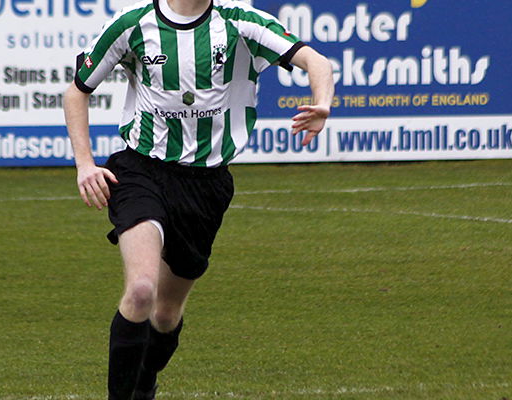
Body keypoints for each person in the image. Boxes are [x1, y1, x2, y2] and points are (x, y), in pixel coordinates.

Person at [63, 0, 334, 398]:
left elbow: (317, 62)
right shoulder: (133, 24)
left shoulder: (241, 23)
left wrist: (323, 103)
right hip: (141, 171)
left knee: (165, 315)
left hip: (206, 186)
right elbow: (76, 92)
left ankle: (145, 381)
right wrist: (85, 164)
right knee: (140, 290)